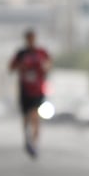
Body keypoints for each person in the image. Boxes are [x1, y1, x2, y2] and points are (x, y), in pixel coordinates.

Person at [9, 29, 52, 158]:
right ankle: (27, 138)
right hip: (24, 89)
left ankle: (34, 143)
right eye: (29, 39)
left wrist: (45, 68)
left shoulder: (41, 52)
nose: (31, 41)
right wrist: (20, 67)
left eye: (33, 38)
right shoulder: (21, 54)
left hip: (38, 89)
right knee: (25, 117)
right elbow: (11, 68)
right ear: (26, 40)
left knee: (35, 116)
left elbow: (49, 65)